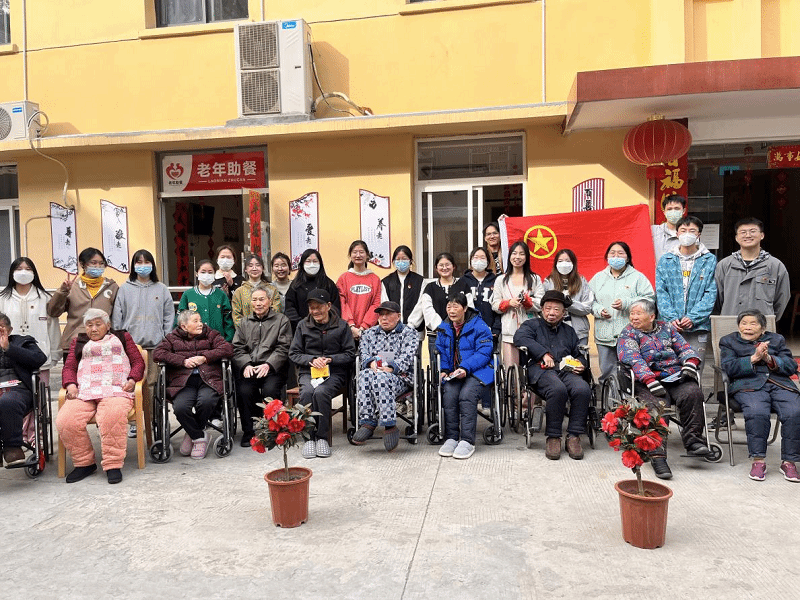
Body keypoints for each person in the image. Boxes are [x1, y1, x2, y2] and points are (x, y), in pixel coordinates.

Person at [617, 299, 712, 480]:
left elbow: (684, 348)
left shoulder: (667, 328)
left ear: (651, 316)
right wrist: (649, 379)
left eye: (638, 314)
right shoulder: (628, 333)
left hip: (674, 376)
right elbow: (632, 358)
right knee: (658, 405)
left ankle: (693, 441)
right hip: (645, 381)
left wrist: (690, 363)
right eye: (632, 314)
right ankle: (658, 456)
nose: (633, 317)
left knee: (693, 393)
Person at [57, 309, 145, 484]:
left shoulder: (122, 337)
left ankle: (113, 465)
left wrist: (132, 379)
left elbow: (138, 362)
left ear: (108, 325)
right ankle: (84, 463)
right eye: (89, 325)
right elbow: (69, 368)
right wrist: (71, 385)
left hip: (116, 389)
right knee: (66, 420)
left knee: (111, 416)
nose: (94, 329)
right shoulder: (79, 342)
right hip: (85, 391)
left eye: (98, 324)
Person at [719, 309, 800, 483]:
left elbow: (791, 366)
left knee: (795, 411)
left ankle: (789, 462)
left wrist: (770, 359)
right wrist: (753, 358)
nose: (747, 327)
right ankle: (758, 461)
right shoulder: (728, 341)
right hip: (748, 385)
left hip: (779, 383)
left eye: (753, 323)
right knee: (757, 411)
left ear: (763, 328)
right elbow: (728, 368)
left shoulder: (777, 340)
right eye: (743, 323)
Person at [513, 290, 591, 460]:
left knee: (582, 388)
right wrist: (542, 354)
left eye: (556, 309)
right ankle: (553, 436)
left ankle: (574, 436)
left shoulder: (569, 331)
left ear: (564, 313)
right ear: (542, 310)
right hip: (540, 370)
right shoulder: (531, 325)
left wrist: (581, 364)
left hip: (565, 370)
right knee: (557, 389)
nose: (551, 313)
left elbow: (578, 354)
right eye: (548, 308)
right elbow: (519, 338)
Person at [153, 310, 234, 460]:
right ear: (184, 326)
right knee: (181, 407)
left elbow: (227, 349)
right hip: (183, 382)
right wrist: (182, 361)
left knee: (207, 402)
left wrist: (204, 357)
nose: (200, 324)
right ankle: (199, 436)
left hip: (208, 380)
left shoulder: (211, 334)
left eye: (200, 320)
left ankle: (192, 435)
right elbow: (157, 353)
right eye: (195, 321)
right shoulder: (172, 338)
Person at [112, 249, 175, 440]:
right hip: (131, 348)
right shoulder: (124, 289)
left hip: (155, 346)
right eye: (138, 262)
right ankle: (134, 422)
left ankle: (154, 419)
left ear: (152, 265)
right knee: (131, 384)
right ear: (133, 265)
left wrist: (165, 338)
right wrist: (122, 341)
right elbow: (117, 318)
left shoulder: (161, 289)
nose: (143, 265)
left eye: (146, 262)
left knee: (153, 385)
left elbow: (168, 316)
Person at [289, 288, 356, 459]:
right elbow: (294, 353)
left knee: (321, 392)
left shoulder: (342, 325)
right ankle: (308, 437)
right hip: (309, 372)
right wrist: (311, 359)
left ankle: (322, 437)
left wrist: (330, 359)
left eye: (318, 307)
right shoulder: (303, 325)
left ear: (328, 306)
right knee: (307, 392)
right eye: (312, 308)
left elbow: (350, 353)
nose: (315, 311)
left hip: (334, 373)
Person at [655, 216, 716, 384]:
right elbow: (661, 291)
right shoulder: (666, 259)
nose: (687, 234)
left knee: (694, 371)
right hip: (669, 326)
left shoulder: (709, 260)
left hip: (698, 327)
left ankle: (695, 399)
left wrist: (693, 317)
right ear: (677, 233)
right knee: (667, 369)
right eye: (683, 230)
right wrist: (671, 317)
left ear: (699, 234)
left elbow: (710, 293)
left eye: (692, 231)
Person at [351, 301, 419, 452]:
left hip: (401, 378)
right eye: (381, 315)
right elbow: (363, 353)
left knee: (382, 378)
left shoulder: (409, 333)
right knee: (363, 375)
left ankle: (389, 425)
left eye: (388, 314)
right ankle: (367, 421)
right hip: (374, 373)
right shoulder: (369, 333)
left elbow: (408, 356)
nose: (384, 318)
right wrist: (370, 363)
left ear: (398, 316)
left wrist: (391, 368)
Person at [435, 292, 493, 460]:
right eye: (449, 306)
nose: (451, 310)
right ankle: (452, 438)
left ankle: (467, 441)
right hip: (455, 373)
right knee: (450, 394)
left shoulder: (480, 326)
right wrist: (444, 370)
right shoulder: (444, 327)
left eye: (456, 306)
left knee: (467, 395)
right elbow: (441, 351)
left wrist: (465, 367)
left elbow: (484, 353)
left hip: (478, 371)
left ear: (465, 308)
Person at [232, 287, 292, 447]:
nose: (258, 303)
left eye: (261, 299)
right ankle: (248, 432)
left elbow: (284, 347)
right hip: (250, 367)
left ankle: (274, 430)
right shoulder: (244, 322)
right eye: (254, 300)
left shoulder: (281, 320)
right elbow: (237, 347)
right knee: (244, 391)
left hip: (273, 367)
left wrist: (269, 364)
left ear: (270, 301)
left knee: (270, 391)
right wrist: (245, 364)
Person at [589, 241, 655, 382]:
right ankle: (608, 395)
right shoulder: (598, 278)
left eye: (620, 253)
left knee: (630, 374)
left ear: (628, 257)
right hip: (604, 334)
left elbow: (649, 299)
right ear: (607, 257)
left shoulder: (638, 277)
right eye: (612, 253)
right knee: (607, 373)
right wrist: (599, 310)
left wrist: (627, 303)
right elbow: (589, 301)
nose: (616, 256)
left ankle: (630, 396)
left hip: (631, 334)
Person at [47, 247, 119, 359]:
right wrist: (62, 292)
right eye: (93, 263)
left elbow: (117, 317)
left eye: (101, 263)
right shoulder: (72, 287)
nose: (98, 266)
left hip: (104, 344)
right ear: (83, 264)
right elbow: (53, 312)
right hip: (75, 343)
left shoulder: (112, 287)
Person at [715, 217, 790, 321]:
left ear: (762, 235)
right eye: (743, 232)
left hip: (761, 325)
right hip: (730, 322)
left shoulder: (775, 266)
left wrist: (768, 320)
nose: (748, 235)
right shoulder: (724, 265)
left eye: (753, 231)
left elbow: (782, 299)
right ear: (736, 237)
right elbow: (717, 299)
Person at [0, 257, 60, 385]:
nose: (23, 272)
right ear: (12, 273)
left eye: (28, 269)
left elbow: (53, 328)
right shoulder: (3, 299)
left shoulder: (45, 298)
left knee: (40, 393)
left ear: (34, 273)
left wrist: (54, 354)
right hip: (11, 358)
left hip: (39, 357)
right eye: (19, 269)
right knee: (13, 393)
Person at [0, 312, 47, 468]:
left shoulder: (23, 342)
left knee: (7, 401)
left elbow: (40, 359)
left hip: (19, 390)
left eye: (1, 328)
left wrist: (8, 347)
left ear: (9, 330)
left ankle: (12, 447)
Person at [408, 252, 471, 363]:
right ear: (436, 268)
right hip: (436, 336)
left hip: (460, 335)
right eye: (441, 265)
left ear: (454, 266)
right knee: (437, 368)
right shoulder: (430, 287)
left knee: (460, 366)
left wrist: (459, 326)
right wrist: (442, 328)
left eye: (447, 264)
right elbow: (427, 309)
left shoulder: (463, 285)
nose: (444, 268)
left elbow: (469, 307)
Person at [491, 241, 544, 369]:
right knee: (511, 370)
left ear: (526, 257)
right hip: (509, 331)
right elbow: (495, 305)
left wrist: (527, 302)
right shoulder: (501, 280)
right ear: (509, 257)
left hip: (531, 331)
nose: (517, 257)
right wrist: (509, 303)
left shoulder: (535, 279)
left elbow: (541, 303)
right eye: (514, 253)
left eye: (521, 254)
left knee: (531, 368)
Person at [543, 249, 595, 347]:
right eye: (560, 261)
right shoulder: (548, 282)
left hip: (579, 332)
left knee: (579, 356)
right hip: (554, 331)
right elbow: (543, 307)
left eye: (567, 261)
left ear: (573, 263)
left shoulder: (581, 281)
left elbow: (587, 308)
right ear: (555, 264)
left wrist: (570, 304)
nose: (564, 264)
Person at [284, 249, 341, 331]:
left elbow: (335, 307)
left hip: (327, 330)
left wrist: (326, 323)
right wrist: (301, 325)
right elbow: (290, 309)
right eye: (308, 261)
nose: (312, 264)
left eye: (315, 261)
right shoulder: (295, 285)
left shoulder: (328, 284)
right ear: (302, 263)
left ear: (320, 263)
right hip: (301, 330)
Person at [177, 259, 234, 342]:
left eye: (210, 272)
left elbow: (228, 320)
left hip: (217, 342)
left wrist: (227, 341)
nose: (206, 275)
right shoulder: (188, 294)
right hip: (193, 342)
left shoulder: (221, 294)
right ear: (197, 273)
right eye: (203, 272)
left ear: (214, 274)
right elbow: (180, 319)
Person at [337, 240, 382, 341]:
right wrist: (351, 326)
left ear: (367, 255)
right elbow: (342, 303)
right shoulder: (343, 278)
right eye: (355, 252)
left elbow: (376, 304)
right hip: (347, 330)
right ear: (350, 255)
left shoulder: (375, 279)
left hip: (369, 331)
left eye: (361, 252)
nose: (358, 255)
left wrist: (364, 327)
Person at [380, 245, 424, 326]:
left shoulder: (420, 281)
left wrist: (411, 325)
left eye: (404, 259)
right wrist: (394, 323)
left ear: (410, 261)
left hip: (415, 329)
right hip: (392, 328)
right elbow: (385, 304)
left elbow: (421, 305)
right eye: (398, 259)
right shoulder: (386, 282)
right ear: (394, 261)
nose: (401, 261)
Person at [231, 254, 280, 326]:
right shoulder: (239, 292)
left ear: (262, 268)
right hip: (247, 331)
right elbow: (237, 316)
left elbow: (276, 311)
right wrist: (248, 329)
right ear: (246, 269)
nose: (254, 268)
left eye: (258, 265)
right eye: (250, 266)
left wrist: (265, 327)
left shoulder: (272, 289)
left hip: (269, 330)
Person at [651, 194, 685, 262]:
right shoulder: (653, 231)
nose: (673, 211)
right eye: (669, 209)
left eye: (677, 208)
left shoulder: (688, 234)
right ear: (664, 212)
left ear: (683, 211)